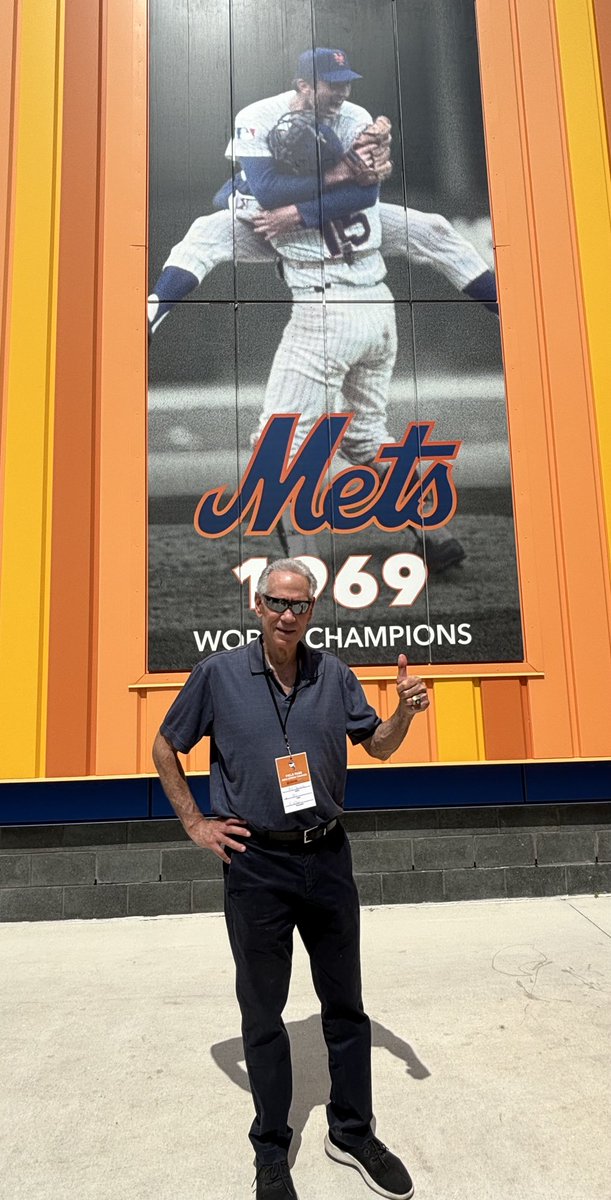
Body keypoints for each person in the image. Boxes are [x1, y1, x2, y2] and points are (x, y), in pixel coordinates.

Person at [152, 556, 429, 1200]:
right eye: (277, 603)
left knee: (346, 1007)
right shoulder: (217, 676)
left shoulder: (334, 675)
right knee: (263, 1012)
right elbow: (166, 745)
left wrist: (406, 712)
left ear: (312, 611)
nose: (287, 615)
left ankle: (352, 1133)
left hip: (327, 857)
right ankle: (271, 1147)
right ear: (257, 605)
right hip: (256, 864)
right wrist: (196, 824)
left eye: (299, 605)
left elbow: (379, 745)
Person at [151, 48, 469, 571]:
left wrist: (271, 183)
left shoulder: (278, 202)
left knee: (276, 445)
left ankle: (300, 569)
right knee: (366, 438)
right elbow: (322, 187)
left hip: (326, 315)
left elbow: (243, 196)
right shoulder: (353, 191)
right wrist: (342, 172)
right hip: (378, 310)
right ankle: (436, 534)